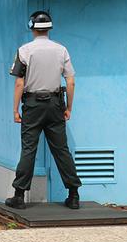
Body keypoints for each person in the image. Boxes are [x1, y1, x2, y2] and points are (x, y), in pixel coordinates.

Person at [6, 11, 82, 210]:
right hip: (56, 104)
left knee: (29, 149)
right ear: (49, 28)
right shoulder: (61, 50)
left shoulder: (24, 51)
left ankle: (19, 196)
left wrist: (15, 110)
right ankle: (74, 194)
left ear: (32, 27)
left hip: (32, 105)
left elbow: (19, 83)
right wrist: (68, 107)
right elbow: (71, 81)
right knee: (61, 149)